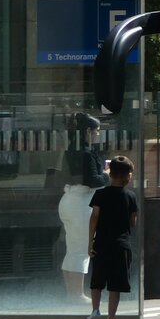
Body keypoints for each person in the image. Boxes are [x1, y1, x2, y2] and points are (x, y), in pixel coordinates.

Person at [83, 156, 138, 319]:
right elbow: (133, 222)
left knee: (97, 281)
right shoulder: (130, 196)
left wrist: (90, 241)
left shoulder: (100, 194)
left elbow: (94, 217)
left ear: (110, 174)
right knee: (115, 286)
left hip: (101, 244)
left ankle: (95, 310)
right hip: (121, 245)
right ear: (127, 176)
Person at [57, 113, 107, 300]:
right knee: (81, 250)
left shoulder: (72, 150)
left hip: (70, 200)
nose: (98, 134)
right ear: (88, 131)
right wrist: (108, 174)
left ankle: (72, 292)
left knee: (73, 249)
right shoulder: (85, 153)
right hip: (81, 203)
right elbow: (93, 180)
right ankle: (77, 294)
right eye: (97, 131)